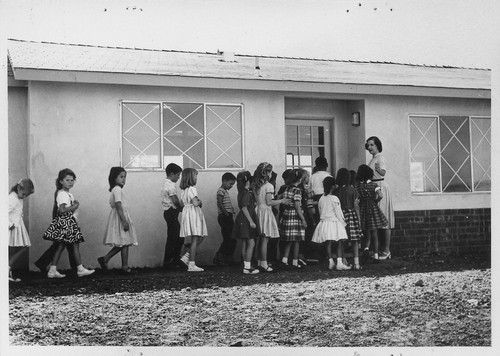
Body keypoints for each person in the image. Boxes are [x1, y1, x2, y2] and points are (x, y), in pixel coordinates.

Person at [42, 168, 95, 278]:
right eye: (67, 180)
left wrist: (73, 205)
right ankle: (80, 269)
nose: (70, 182)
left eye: (72, 180)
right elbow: (61, 210)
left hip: (68, 222)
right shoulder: (62, 194)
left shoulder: (67, 194)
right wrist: (74, 206)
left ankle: (53, 270)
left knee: (61, 246)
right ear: (61, 181)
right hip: (66, 222)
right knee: (74, 245)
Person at [98, 167, 138, 274]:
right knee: (123, 242)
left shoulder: (116, 189)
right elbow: (118, 205)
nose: (124, 179)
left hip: (120, 216)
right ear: (114, 178)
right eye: (121, 177)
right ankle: (110, 260)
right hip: (120, 218)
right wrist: (124, 221)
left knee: (124, 242)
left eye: (125, 177)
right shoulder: (117, 189)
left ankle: (119, 264)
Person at [253, 162, 289, 272]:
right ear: (267, 173)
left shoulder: (257, 185)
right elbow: (269, 202)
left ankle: (259, 261)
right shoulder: (269, 186)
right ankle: (264, 262)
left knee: (261, 239)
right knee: (265, 239)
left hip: (258, 211)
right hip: (265, 211)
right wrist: (282, 200)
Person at [311, 176, 350, 270]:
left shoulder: (321, 199)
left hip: (324, 222)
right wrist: (343, 222)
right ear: (333, 186)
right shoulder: (334, 198)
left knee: (327, 243)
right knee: (339, 242)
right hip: (334, 222)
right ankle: (339, 263)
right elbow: (338, 212)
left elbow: (320, 211)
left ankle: (330, 262)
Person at [366, 136, 394, 259]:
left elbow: (383, 172)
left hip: (380, 186)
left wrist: (379, 169)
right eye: (368, 145)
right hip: (373, 186)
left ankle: (387, 250)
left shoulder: (380, 157)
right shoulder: (373, 159)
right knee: (376, 219)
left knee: (383, 218)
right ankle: (377, 250)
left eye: (372, 145)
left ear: (377, 145)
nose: (369, 147)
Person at [355, 164, 388, 262]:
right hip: (373, 208)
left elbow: (357, 198)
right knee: (374, 232)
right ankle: (376, 254)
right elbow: (381, 195)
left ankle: (366, 248)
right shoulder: (374, 185)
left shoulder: (358, 185)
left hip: (363, 208)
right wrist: (375, 201)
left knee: (365, 230)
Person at [333, 168, 364, 270]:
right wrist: (359, 219)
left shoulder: (336, 191)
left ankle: (342, 261)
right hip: (351, 215)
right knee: (355, 240)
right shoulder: (353, 190)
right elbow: (356, 206)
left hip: (340, 216)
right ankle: (356, 263)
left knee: (341, 240)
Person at [178, 168, 208, 272]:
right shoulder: (192, 189)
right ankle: (191, 263)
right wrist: (199, 202)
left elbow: (182, 204)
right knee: (197, 237)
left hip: (187, 213)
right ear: (191, 177)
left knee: (194, 237)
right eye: (195, 176)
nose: (196, 178)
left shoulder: (183, 191)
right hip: (194, 213)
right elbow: (195, 203)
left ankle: (187, 257)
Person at [279, 169, 307, 269]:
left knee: (288, 240)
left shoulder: (287, 189)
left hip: (287, 214)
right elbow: (297, 205)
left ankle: (284, 260)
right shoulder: (297, 190)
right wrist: (303, 219)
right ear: (300, 180)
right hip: (295, 216)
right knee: (297, 240)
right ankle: (295, 262)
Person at [232, 171, 259, 274]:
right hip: (246, 219)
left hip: (242, 219)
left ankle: (245, 265)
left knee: (244, 243)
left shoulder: (242, 191)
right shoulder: (246, 193)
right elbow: (244, 207)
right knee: (251, 243)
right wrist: (251, 221)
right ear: (247, 181)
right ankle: (247, 267)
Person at [8, 178, 35, 282]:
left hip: (17, 227)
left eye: (26, 196)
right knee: (16, 248)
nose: (24, 197)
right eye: (23, 194)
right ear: (18, 188)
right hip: (11, 227)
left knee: (21, 247)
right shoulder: (12, 198)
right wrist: (9, 224)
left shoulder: (18, 198)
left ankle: (8, 269)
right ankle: (6, 270)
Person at [161, 163, 184, 269]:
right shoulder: (170, 185)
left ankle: (171, 260)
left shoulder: (166, 184)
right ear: (171, 174)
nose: (178, 178)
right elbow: (175, 200)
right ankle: (172, 260)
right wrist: (182, 209)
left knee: (174, 237)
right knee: (175, 237)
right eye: (178, 175)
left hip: (168, 212)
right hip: (171, 212)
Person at [213, 172, 237, 266]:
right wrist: (226, 213)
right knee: (228, 238)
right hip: (224, 216)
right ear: (224, 181)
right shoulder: (221, 191)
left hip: (228, 215)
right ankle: (219, 257)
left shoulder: (225, 191)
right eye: (230, 184)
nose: (231, 186)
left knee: (231, 238)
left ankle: (227, 257)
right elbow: (220, 203)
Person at [298, 169, 316, 266]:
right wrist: (312, 220)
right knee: (306, 236)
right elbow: (309, 206)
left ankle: (299, 256)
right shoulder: (306, 191)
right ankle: (304, 256)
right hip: (305, 215)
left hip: (298, 214)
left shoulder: (297, 189)